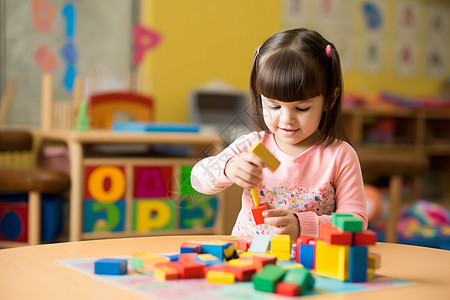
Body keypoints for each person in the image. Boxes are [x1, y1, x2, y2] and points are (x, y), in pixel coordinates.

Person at [191, 28, 367, 242]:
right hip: (249, 257)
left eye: (301, 108)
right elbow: (196, 181)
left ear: (329, 99)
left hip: (310, 261)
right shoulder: (256, 146)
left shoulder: (338, 156)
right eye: (274, 106)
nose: (286, 119)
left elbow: (356, 223)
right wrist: (228, 168)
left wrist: (303, 226)